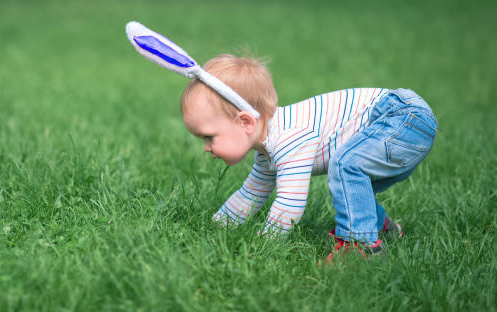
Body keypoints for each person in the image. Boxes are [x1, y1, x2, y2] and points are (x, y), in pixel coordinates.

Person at [180, 54, 437, 260]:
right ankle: (382, 229)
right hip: (401, 122)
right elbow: (250, 194)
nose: (206, 147)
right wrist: (216, 227)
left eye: (209, 137)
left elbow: (290, 201)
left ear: (246, 122)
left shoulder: (290, 139)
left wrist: (264, 243)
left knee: (345, 165)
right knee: (352, 181)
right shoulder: (267, 150)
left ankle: (360, 246)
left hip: (401, 116)